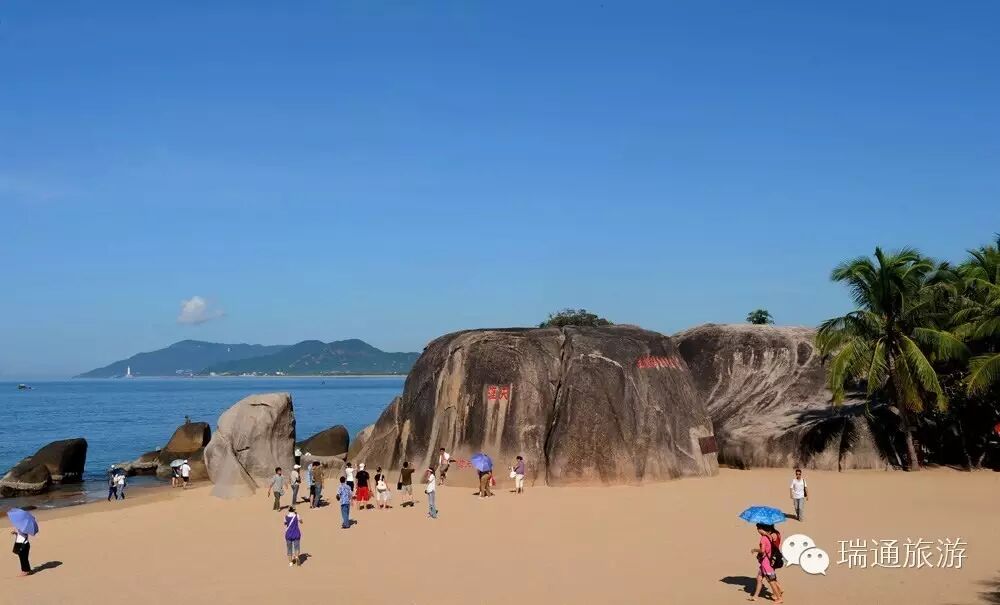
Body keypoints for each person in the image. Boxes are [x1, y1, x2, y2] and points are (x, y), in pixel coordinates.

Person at [749, 523, 784, 603]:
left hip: (766, 564)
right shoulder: (771, 536)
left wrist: (754, 550)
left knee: (771, 581)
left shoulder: (764, 538)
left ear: (762, 529)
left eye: (758, 529)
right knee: (759, 578)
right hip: (766, 563)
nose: (758, 530)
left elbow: (762, 551)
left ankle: (779, 598)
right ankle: (755, 596)